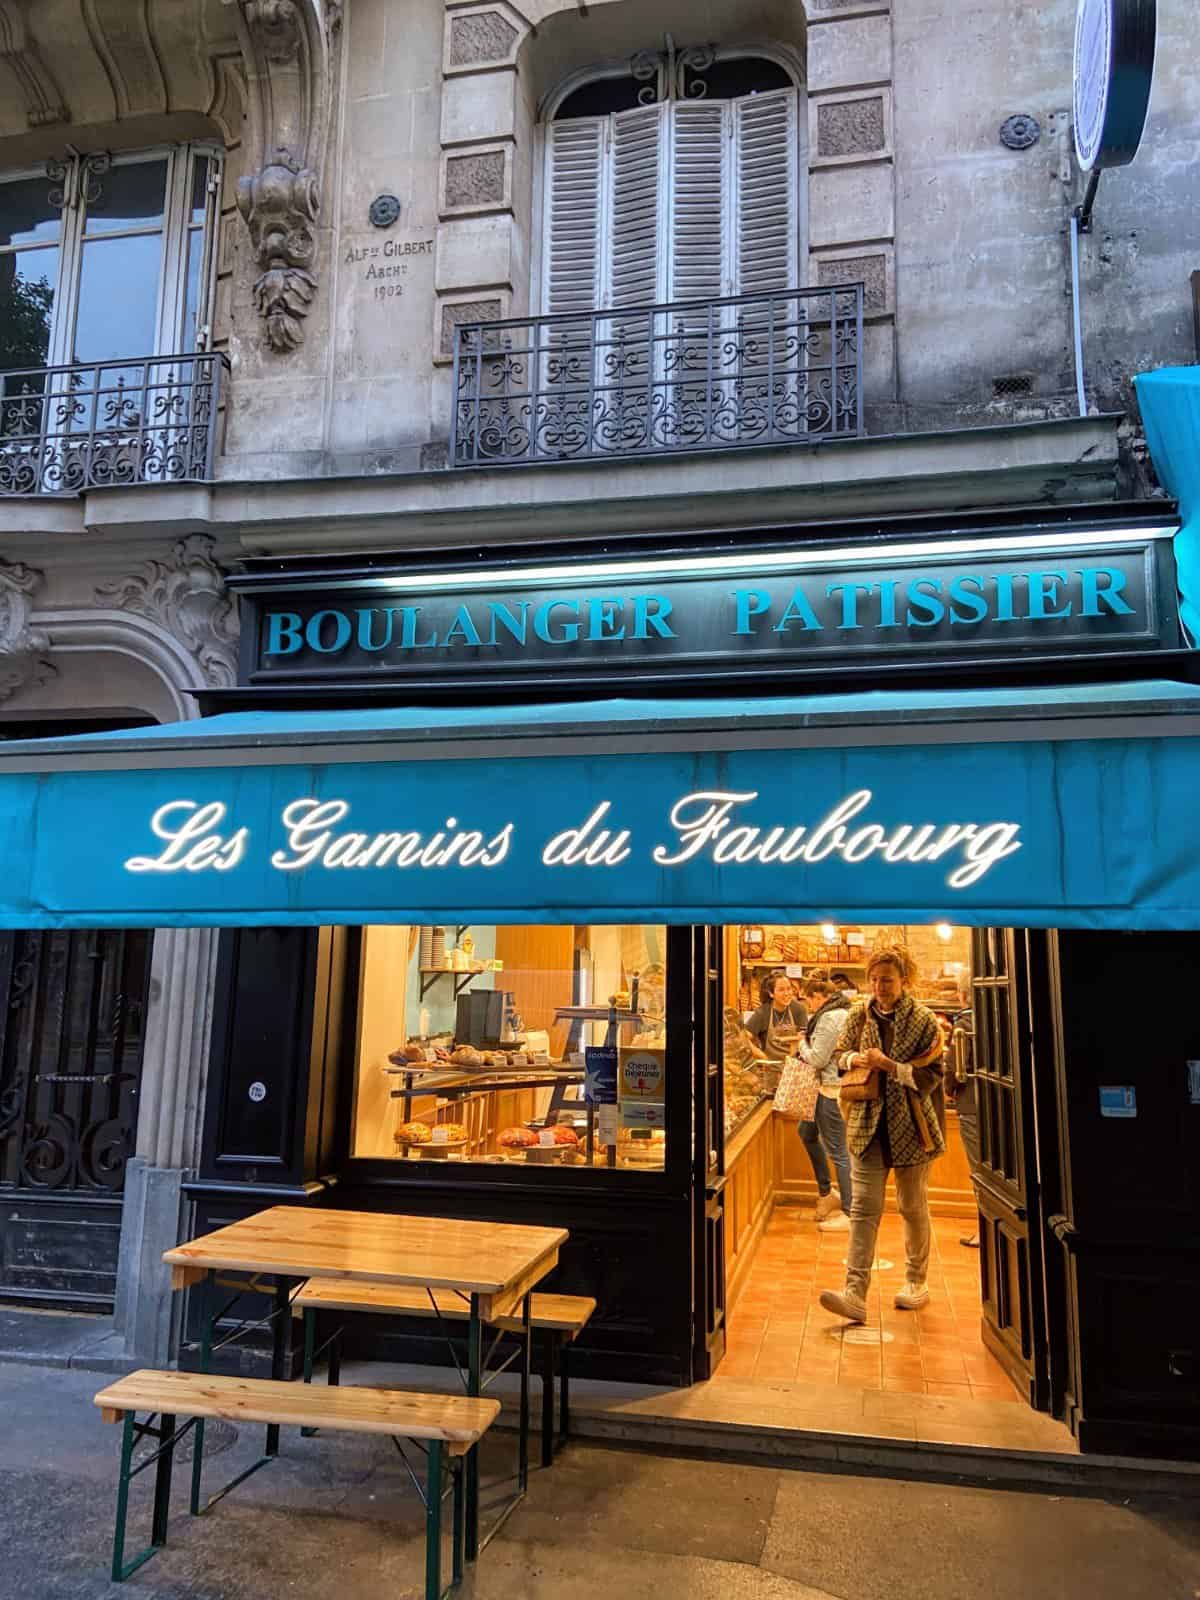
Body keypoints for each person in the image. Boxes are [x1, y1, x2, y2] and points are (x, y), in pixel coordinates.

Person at [818, 946, 946, 1324]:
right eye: (874, 979)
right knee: (862, 1209)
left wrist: (889, 1065)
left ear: (904, 979)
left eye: (887, 980)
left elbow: (931, 1076)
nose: (879, 986)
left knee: (911, 1206)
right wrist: (853, 1060)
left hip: (912, 1127)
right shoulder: (859, 1014)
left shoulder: (924, 1022)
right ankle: (855, 1293)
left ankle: (915, 1281)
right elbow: (839, 1056)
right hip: (866, 1126)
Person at [797, 974, 852, 1229]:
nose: (809, 1006)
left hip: (831, 1090)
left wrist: (801, 1044)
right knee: (806, 1131)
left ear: (819, 997)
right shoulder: (839, 1012)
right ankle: (826, 1192)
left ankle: (850, 1212)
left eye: (809, 1001)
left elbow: (818, 1059)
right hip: (823, 1088)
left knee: (839, 1152)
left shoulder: (830, 1017)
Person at [744, 971, 808, 1062]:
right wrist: (762, 1056)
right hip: (769, 1068)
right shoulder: (762, 1013)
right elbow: (744, 1037)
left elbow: (803, 1038)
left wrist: (790, 1060)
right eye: (781, 990)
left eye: (789, 989)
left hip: (793, 1067)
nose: (786, 993)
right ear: (771, 993)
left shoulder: (799, 1009)